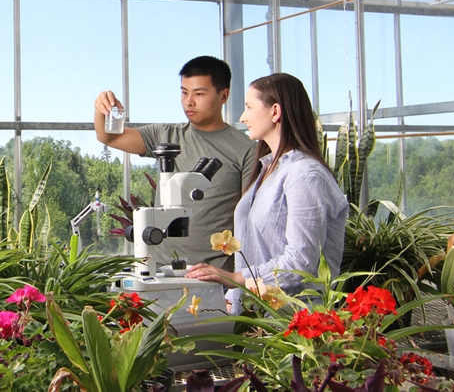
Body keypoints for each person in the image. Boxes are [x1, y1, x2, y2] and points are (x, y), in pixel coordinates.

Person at [184, 73, 348, 313]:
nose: (242, 117)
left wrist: (233, 278)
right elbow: (255, 249)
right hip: (258, 314)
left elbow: (299, 263)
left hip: (294, 324)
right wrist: (234, 295)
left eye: (249, 107)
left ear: (275, 111)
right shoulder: (268, 168)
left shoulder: (304, 174)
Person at [93, 56, 256, 270]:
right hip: (161, 269)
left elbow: (250, 219)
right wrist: (102, 107)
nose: (189, 101)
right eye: (184, 92)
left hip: (213, 274)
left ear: (223, 95)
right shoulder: (166, 135)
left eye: (199, 93)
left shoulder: (246, 149)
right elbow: (108, 136)